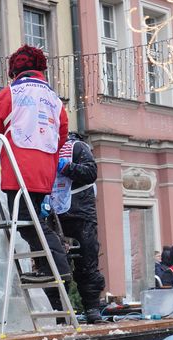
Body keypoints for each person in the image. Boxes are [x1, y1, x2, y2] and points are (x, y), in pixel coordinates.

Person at [0, 44, 71, 286]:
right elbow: (62, 134)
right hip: (45, 169)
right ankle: (49, 266)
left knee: (25, 220)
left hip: (18, 168)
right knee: (34, 218)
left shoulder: (10, 93)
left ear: (14, 71)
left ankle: (57, 266)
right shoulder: (54, 99)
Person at [50, 132, 106, 324]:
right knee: (53, 264)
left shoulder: (76, 147)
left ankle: (91, 308)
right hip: (53, 213)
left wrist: (67, 167)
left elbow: (91, 173)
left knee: (87, 261)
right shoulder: (45, 148)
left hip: (80, 212)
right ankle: (58, 312)